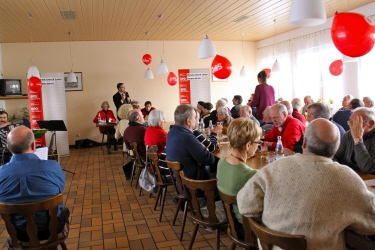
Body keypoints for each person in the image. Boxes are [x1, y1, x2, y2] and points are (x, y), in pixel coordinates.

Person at [237, 118, 375, 249]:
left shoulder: (274, 168)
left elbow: (245, 205)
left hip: (272, 247)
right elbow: (370, 224)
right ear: (337, 147)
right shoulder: (348, 178)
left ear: (304, 143)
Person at [0, 126, 69, 243]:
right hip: (52, 229)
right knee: (65, 211)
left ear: (8, 148)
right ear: (33, 146)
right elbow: (59, 190)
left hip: (18, 233)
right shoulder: (52, 166)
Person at [217, 118, 261, 231]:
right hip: (248, 227)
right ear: (248, 145)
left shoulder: (221, 162)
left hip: (232, 223)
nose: (258, 146)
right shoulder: (251, 174)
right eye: (258, 142)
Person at [166, 105, 215, 180]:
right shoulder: (187, 137)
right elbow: (210, 160)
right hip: (191, 183)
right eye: (195, 118)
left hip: (179, 179)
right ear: (188, 121)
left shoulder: (171, 132)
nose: (196, 120)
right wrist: (205, 149)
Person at [333, 107, 375, 174]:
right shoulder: (349, 135)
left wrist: (358, 139)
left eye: (356, 122)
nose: (352, 126)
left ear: (371, 124)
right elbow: (336, 156)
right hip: (349, 176)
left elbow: (367, 167)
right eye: (350, 122)